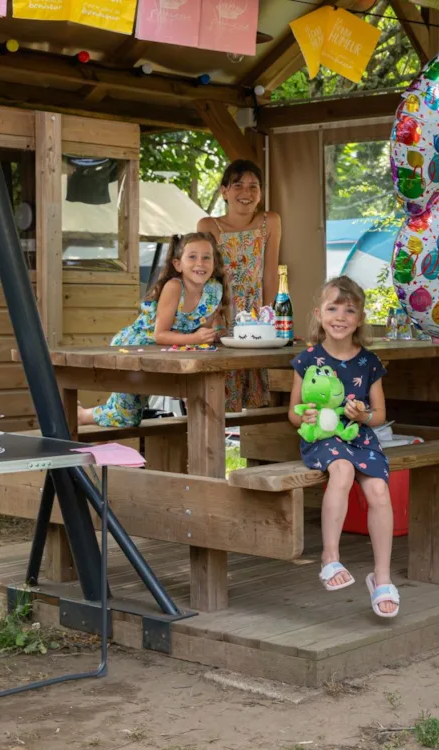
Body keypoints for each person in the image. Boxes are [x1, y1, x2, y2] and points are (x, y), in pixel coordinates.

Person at [288, 277, 399, 618]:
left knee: (379, 491)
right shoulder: (307, 360)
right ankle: (330, 558)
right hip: (322, 438)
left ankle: (381, 577)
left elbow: (379, 414)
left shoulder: (368, 362)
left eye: (349, 310)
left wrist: (364, 414)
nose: (340, 316)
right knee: (342, 469)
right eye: (333, 308)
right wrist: (303, 414)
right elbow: (293, 413)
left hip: (359, 436)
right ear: (320, 314)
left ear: (360, 318)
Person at [77, 233, 228, 427]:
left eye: (206, 257)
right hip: (135, 348)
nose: (200, 263)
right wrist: (195, 338)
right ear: (178, 264)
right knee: (126, 416)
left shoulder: (214, 289)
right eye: (192, 257)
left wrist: (218, 330)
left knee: (199, 391)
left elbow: (211, 316)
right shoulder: (174, 287)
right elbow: (160, 335)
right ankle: (81, 416)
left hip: (171, 351)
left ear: (214, 263)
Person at [197, 159, 282, 411]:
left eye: (253, 186)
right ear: (224, 191)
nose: (246, 193)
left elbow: (270, 273)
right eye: (238, 185)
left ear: (261, 193)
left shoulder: (270, 221)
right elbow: (204, 278)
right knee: (216, 391)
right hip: (220, 309)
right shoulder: (208, 225)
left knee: (254, 387)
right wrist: (209, 320)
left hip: (255, 312)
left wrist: (270, 320)